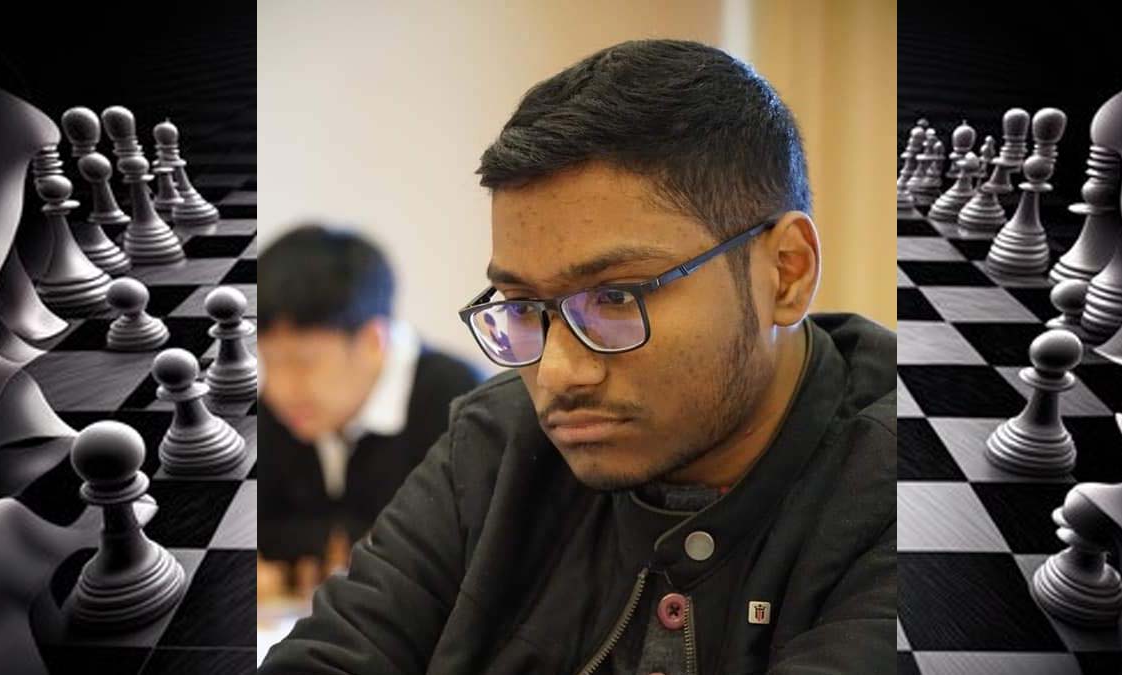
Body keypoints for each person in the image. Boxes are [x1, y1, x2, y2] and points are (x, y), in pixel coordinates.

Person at [260, 39, 895, 674]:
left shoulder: (907, 483)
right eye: (521, 304)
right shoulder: (497, 445)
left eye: (616, 298)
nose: (557, 373)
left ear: (785, 273)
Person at [257, 224, 484, 597]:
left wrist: (312, 553)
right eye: (268, 361)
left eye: (303, 363)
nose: (280, 388)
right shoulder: (278, 408)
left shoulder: (460, 403)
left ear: (372, 343)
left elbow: (454, 553)